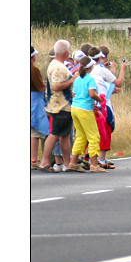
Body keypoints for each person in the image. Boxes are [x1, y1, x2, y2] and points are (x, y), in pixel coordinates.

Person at [37, 39, 76, 173]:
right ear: (65, 53)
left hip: (62, 105)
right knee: (54, 134)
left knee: (65, 135)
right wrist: (72, 80)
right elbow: (56, 86)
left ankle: (67, 162)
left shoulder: (55, 65)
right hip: (59, 106)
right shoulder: (58, 68)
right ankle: (45, 161)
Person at [66, 56, 108, 172]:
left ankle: (73, 162)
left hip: (75, 108)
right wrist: (100, 100)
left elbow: (73, 94)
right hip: (85, 109)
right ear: (90, 68)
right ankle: (94, 164)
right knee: (94, 136)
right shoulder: (90, 79)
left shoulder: (78, 79)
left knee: (81, 136)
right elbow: (92, 94)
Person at [31, 46, 50, 169]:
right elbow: (40, 88)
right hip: (35, 101)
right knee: (35, 133)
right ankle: (34, 160)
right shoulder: (34, 70)